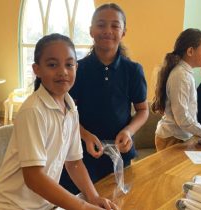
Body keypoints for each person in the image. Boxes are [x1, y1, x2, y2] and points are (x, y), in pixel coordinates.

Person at [0, 34, 117, 210]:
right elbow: (34, 177)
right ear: (37, 69)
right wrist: (83, 207)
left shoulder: (71, 108)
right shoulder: (33, 111)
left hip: (44, 204)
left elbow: (74, 163)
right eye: (52, 64)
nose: (62, 71)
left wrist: (93, 197)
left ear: (76, 67)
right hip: (12, 205)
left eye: (69, 65)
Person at [60, 3, 148, 194]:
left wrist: (128, 131)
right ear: (91, 30)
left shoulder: (133, 70)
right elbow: (66, 113)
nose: (107, 31)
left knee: (117, 200)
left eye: (115, 25)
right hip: (80, 154)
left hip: (120, 153)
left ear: (123, 31)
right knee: (80, 201)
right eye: (101, 25)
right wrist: (85, 135)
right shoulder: (77, 69)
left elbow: (143, 109)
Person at [151, 28, 201, 152]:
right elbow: (182, 118)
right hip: (172, 138)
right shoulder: (180, 75)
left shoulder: (186, 73)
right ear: (190, 51)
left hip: (181, 136)